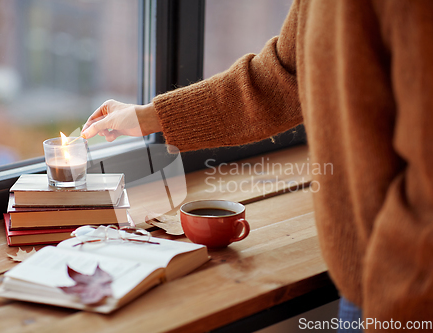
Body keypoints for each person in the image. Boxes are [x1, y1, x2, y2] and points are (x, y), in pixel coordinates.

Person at [82, 1, 433, 331]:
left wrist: (399, 296)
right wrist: (148, 117)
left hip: (405, 294)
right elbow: (280, 78)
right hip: (370, 285)